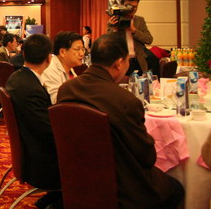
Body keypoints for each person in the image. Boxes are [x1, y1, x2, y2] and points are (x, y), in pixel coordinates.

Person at [57, 33, 184, 208]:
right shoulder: (125, 100)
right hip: (122, 187)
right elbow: (147, 157)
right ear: (118, 63)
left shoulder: (66, 89)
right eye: (128, 61)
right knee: (176, 188)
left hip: (77, 178)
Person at [5, 34, 62, 209]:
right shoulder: (31, 89)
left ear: (23, 54)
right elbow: (47, 133)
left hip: (29, 151)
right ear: (49, 58)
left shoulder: (17, 78)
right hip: (41, 161)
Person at [107, 0, 153, 75]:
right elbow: (109, 43)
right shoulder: (115, 20)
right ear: (122, 4)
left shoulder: (139, 20)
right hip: (122, 62)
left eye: (135, 7)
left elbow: (149, 39)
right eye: (129, 6)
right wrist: (113, 28)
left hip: (139, 61)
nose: (132, 9)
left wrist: (134, 30)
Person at [40, 31, 84, 104]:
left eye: (82, 49)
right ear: (62, 52)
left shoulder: (70, 68)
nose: (81, 53)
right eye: (77, 49)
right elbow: (56, 100)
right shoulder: (50, 69)